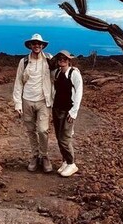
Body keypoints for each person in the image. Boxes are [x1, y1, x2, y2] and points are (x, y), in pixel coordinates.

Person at [13, 33, 55, 172]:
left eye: (39, 44)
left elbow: (57, 76)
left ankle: (44, 156)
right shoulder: (23, 61)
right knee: (31, 130)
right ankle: (35, 155)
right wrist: (17, 104)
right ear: (30, 46)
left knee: (43, 130)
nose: (37, 46)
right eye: (34, 43)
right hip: (27, 100)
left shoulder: (49, 59)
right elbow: (18, 82)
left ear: (42, 45)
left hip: (43, 100)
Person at [51, 50, 83, 178]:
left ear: (69, 60)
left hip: (68, 110)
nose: (62, 60)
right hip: (57, 108)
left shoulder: (74, 73)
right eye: (60, 58)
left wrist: (74, 112)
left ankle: (71, 163)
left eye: (65, 58)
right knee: (59, 137)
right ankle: (65, 161)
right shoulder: (57, 73)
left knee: (65, 138)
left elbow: (79, 92)